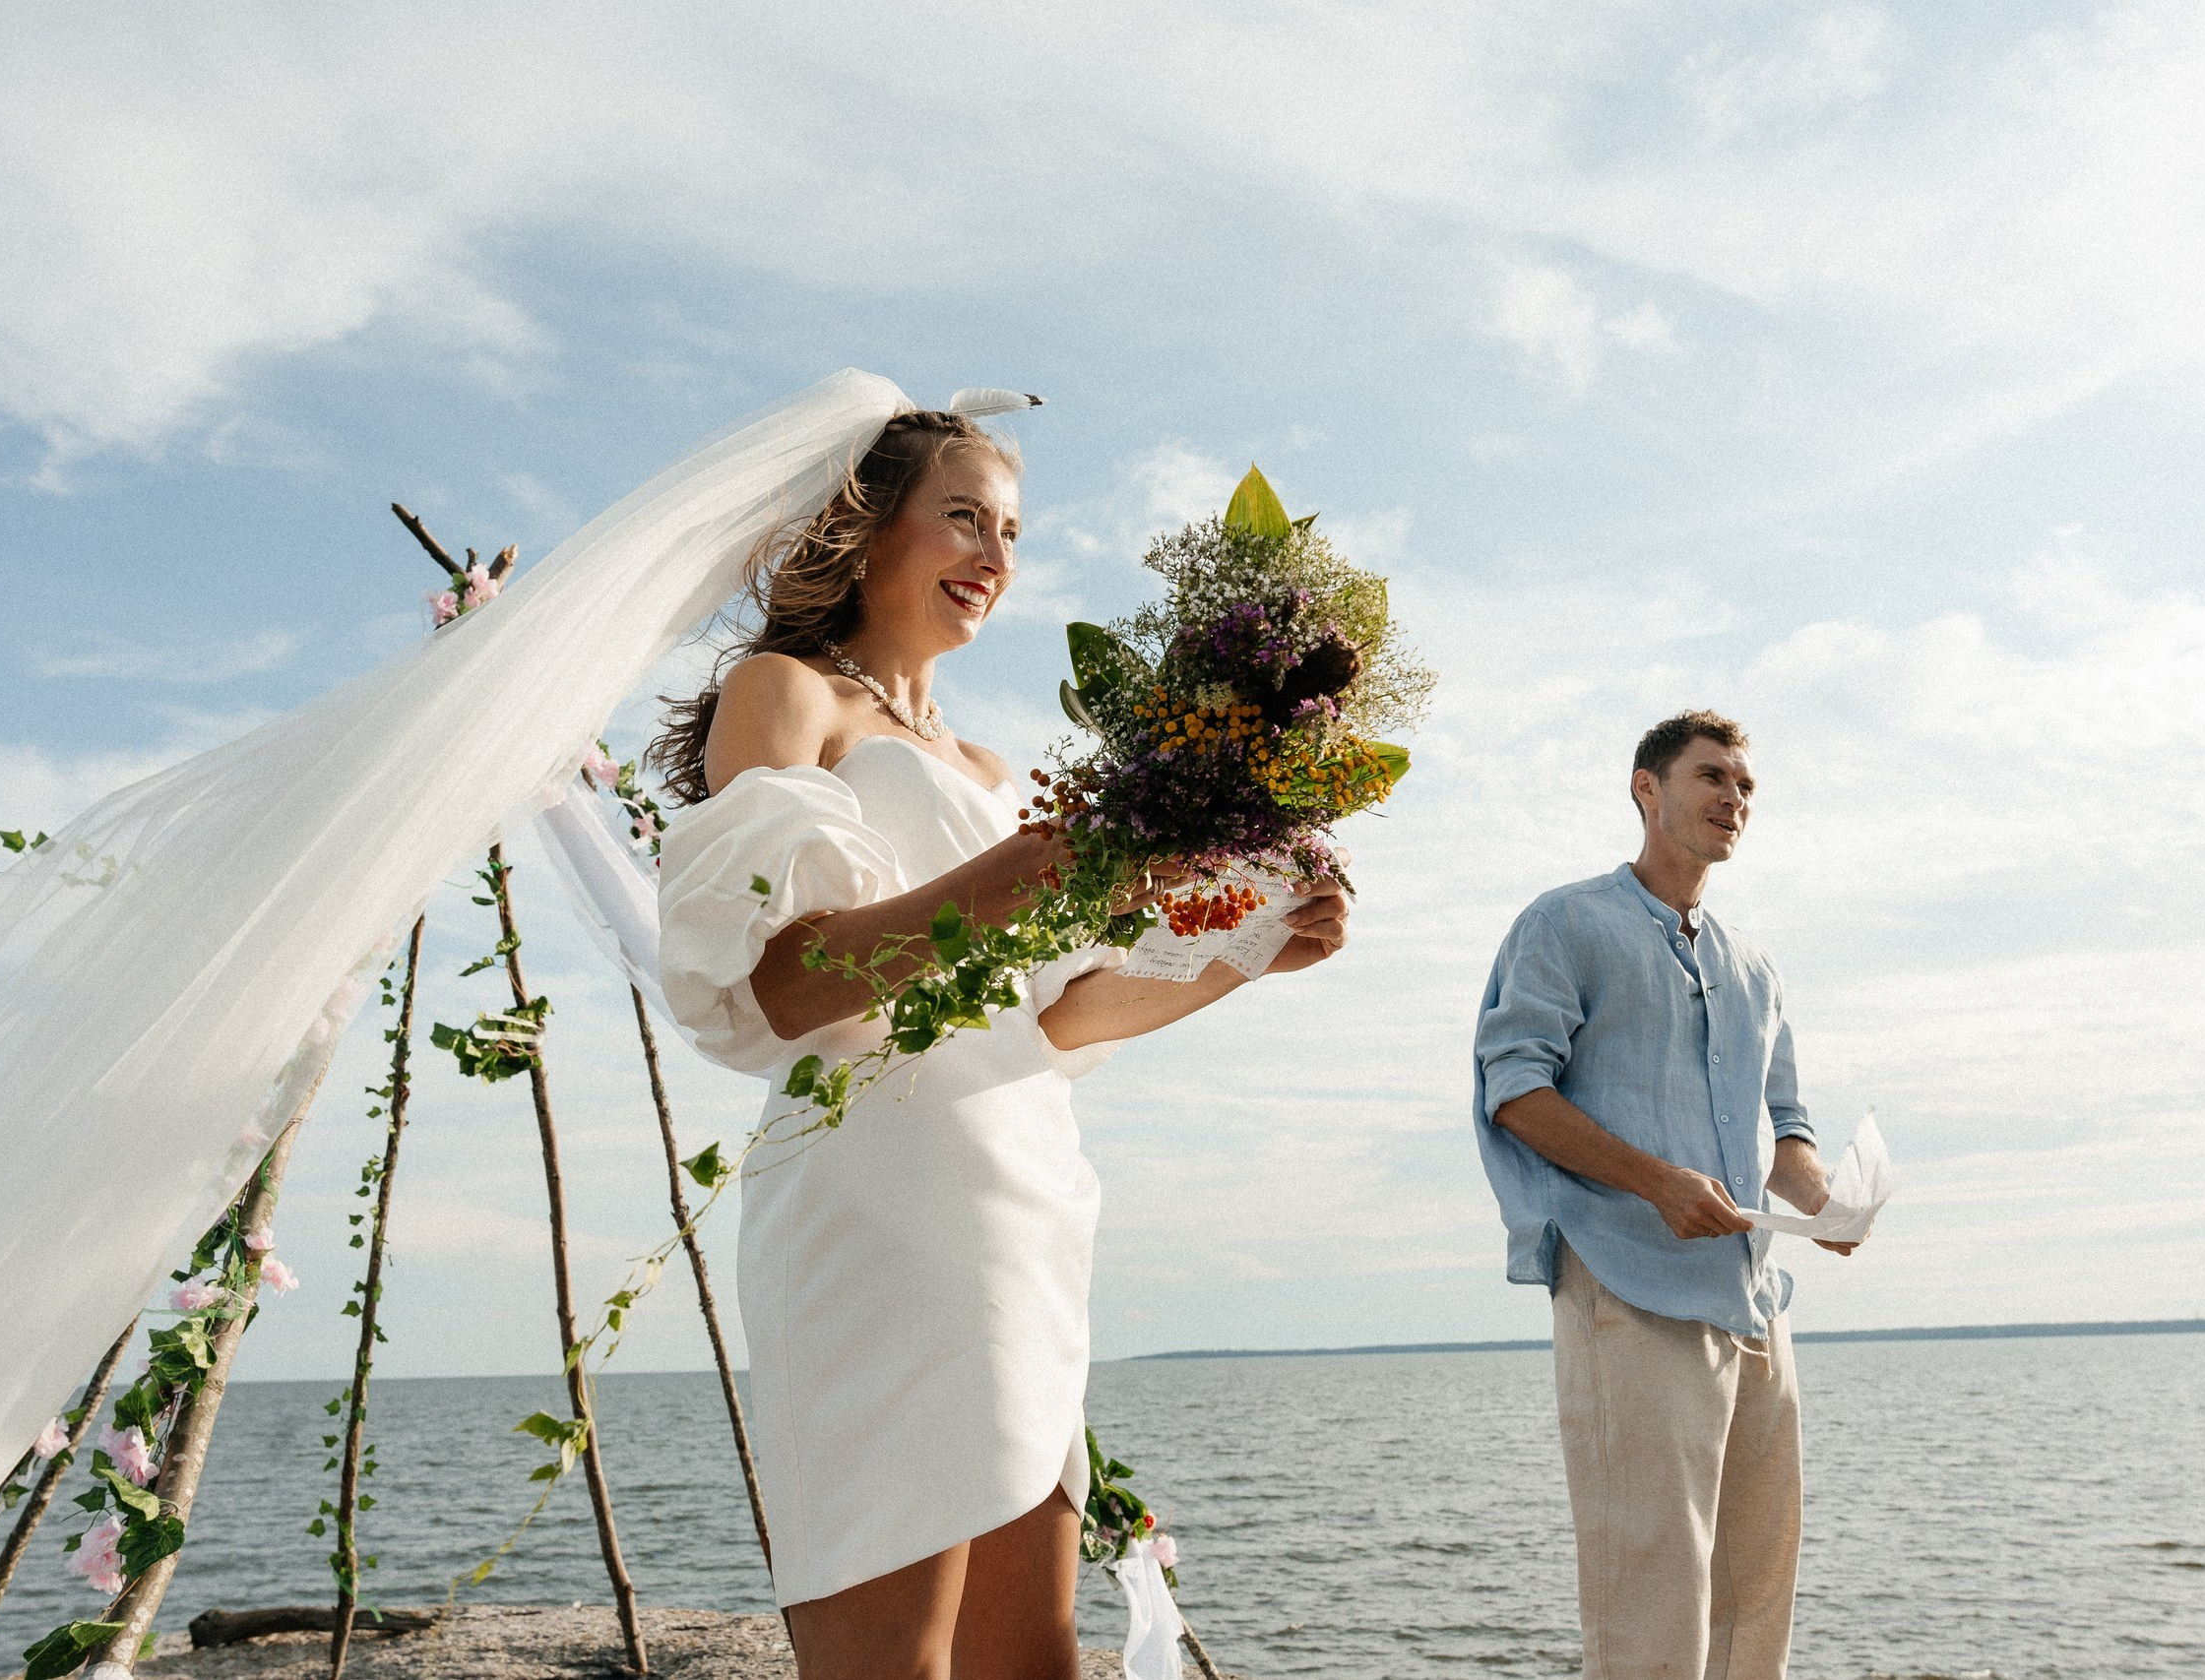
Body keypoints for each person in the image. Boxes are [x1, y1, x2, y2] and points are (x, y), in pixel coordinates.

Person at [648, 409, 1351, 1680]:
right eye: (964, 515)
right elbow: (786, 979)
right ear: (865, 529)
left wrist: (1246, 951)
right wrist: (1034, 864)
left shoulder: (989, 764)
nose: (995, 553)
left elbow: (1057, 1013)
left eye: (1013, 531)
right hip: (875, 1215)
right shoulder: (785, 694)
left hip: (1023, 1214)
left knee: (1036, 1658)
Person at [1471, 709, 1861, 1680]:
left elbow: (1789, 1129)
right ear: (1646, 789)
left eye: (1745, 787)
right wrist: (1656, 1181)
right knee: (1651, 1592)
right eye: (1711, 777)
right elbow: (1514, 1092)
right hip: (1629, 1288)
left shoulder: (1754, 966)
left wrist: (1824, 1205)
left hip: (1753, 1303)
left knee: (1756, 1591)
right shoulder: (1564, 924)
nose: (1733, 798)